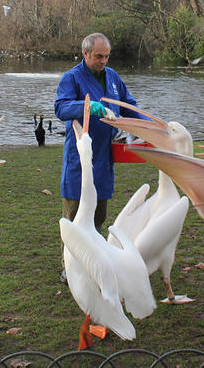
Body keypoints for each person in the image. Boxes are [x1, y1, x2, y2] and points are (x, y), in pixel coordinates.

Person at [54, 33, 147, 282]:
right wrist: (89, 107)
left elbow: (127, 105)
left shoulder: (113, 77)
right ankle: (69, 267)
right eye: (98, 56)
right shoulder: (71, 78)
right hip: (80, 157)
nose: (103, 61)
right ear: (85, 54)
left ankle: (91, 262)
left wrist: (147, 126)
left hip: (104, 156)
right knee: (74, 217)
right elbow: (60, 107)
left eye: (106, 56)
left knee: (98, 216)